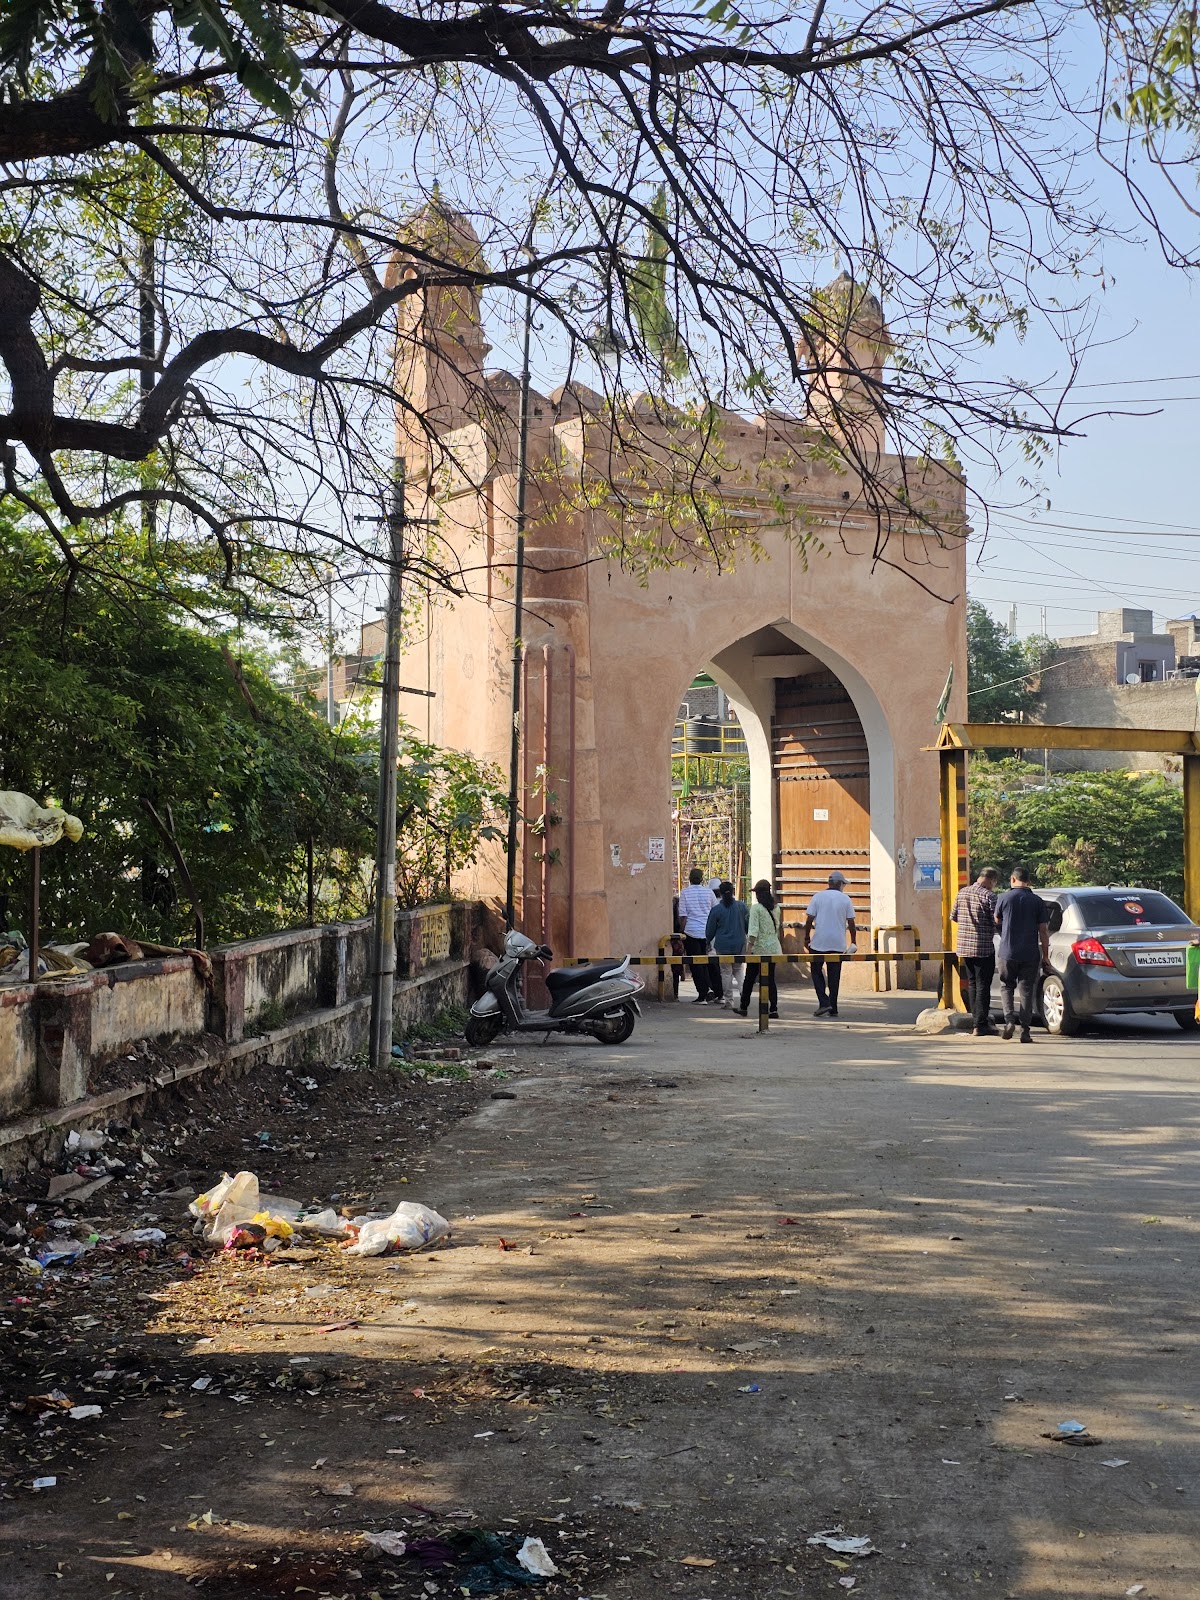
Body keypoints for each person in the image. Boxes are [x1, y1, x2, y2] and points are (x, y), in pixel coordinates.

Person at [994, 865, 1053, 1042]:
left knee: (1006, 986)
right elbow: (1043, 930)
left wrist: (1004, 931)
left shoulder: (1003, 898)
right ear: (1028, 881)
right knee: (1026, 990)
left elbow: (997, 919)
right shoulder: (1037, 901)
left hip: (1007, 952)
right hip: (1029, 953)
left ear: (1013, 879)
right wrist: (1045, 957)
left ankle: (1009, 1021)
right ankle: (1025, 1031)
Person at [951, 866, 1000, 1035]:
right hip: (983, 947)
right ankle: (981, 1025)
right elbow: (996, 922)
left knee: (972, 984)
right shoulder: (990, 896)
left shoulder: (962, 892)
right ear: (992, 881)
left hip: (964, 947)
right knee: (983, 986)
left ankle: (975, 1021)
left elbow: (954, 916)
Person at [803, 870, 857, 1018]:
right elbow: (851, 923)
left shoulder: (817, 897)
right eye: (843, 884)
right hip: (838, 944)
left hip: (818, 942)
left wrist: (806, 938)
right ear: (839, 884)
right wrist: (853, 941)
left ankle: (824, 1001)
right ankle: (833, 1007)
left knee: (815, 971)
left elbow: (809, 920)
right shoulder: (845, 899)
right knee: (834, 976)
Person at [737, 880, 783, 1018]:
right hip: (773, 948)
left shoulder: (756, 909)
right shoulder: (776, 908)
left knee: (750, 978)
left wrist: (749, 948)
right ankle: (773, 1009)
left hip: (759, 949)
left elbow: (753, 931)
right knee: (770, 979)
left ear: (758, 893)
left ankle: (743, 1006)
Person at [676, 867, 719, 1003]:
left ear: (689, 879)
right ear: (702, 879)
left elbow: (683, 916)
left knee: (695, 964)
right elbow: (715, 912)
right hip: (707, 933)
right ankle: (717, 991)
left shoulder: (685, 893)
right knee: (709, 963)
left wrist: (681, 933)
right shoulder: (709, 893)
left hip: (691, 932)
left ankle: (703, 994)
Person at [705, 881, 749, 1007]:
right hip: (739, 943)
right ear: (733, 891)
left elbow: (710, 930)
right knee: (738, 970)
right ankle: (744, 997)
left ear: (720, 893)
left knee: (725, 972)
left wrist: (707, 941)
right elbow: (748, 926)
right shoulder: (742, 906)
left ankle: (729, 1001)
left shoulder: (717, 909)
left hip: (722, 945)